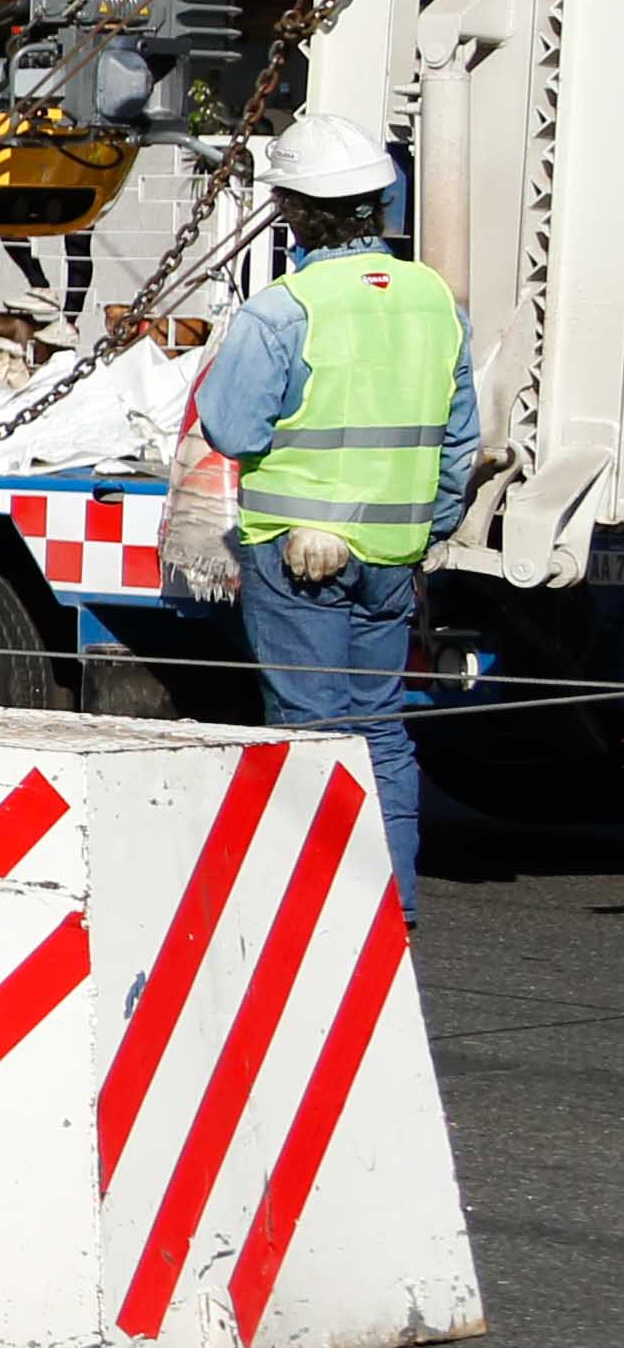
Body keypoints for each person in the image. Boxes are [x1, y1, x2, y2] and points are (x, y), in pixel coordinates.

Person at [184, 111, 481, 906]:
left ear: (294, 210)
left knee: (309, 729)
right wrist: (422, 529)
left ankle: (321, 915)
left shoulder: (284, 308)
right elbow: (461, 442)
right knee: (379, 724)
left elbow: (232, 427)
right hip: (394, 553)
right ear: (377, 205)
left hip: (296, 552)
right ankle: (391, 903)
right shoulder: (434, 301)